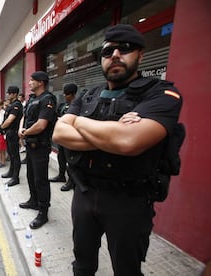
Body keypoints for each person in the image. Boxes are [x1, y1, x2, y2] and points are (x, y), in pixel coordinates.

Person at [52, 24, 183, 276]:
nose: (115, 55)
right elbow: (59, 133)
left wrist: (77, 121)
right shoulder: (88, 95)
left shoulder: (161, 94)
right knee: (82, 263)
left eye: (125, 49)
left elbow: (128, 143)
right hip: (85, 193)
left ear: (140, 55)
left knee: (126, 270)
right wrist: (112, 131)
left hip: (129, 201)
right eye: (108, 51)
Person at [18, 71, 57, 229]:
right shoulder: (32, 99)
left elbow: (42, 124)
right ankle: (33, 201)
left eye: (32, 80)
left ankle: (43, 212)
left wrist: (25, 132)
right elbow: (24, 117)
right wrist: (21, 129)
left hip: (40, 146)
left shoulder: (48, 99)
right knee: (30, 175)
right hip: (30, 144)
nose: (29, 83)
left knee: (41, 179)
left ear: (41, 82)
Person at [49, 83, 78, 191]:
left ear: (73, 94)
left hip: (70, 137)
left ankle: (71, 181)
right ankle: (61, 175)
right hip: (62, 138)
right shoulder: (63, 105)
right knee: (61, 157)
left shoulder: (77, 105)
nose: (64, 96)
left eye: (67, 94)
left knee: (70, 161)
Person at [0, 86, 23, 186]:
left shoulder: (16, 105)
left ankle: (15, 177)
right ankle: (11, 172)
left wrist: (1, 127)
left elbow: (10, 119)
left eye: (9, 93)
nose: (7, 95)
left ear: (14, 94)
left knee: (15, 155)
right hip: (9, 133)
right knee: (11, 154)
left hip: (13, 132)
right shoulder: (11, 105)